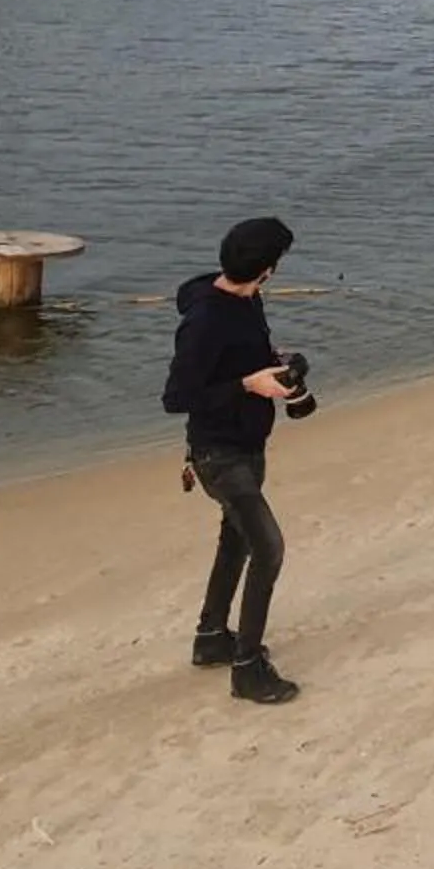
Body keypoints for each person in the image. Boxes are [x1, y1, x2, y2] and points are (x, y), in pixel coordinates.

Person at [163, 216, 305, 704]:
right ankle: (247, 668)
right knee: (269, 548)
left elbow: (237, 357)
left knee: (237, 540)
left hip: (248, 444)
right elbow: (177, 397)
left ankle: (211, 638)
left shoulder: (247, 300)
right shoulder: (205, 319)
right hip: (216, 454)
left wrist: (276, 365)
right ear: (266, 268)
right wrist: (249, 384)